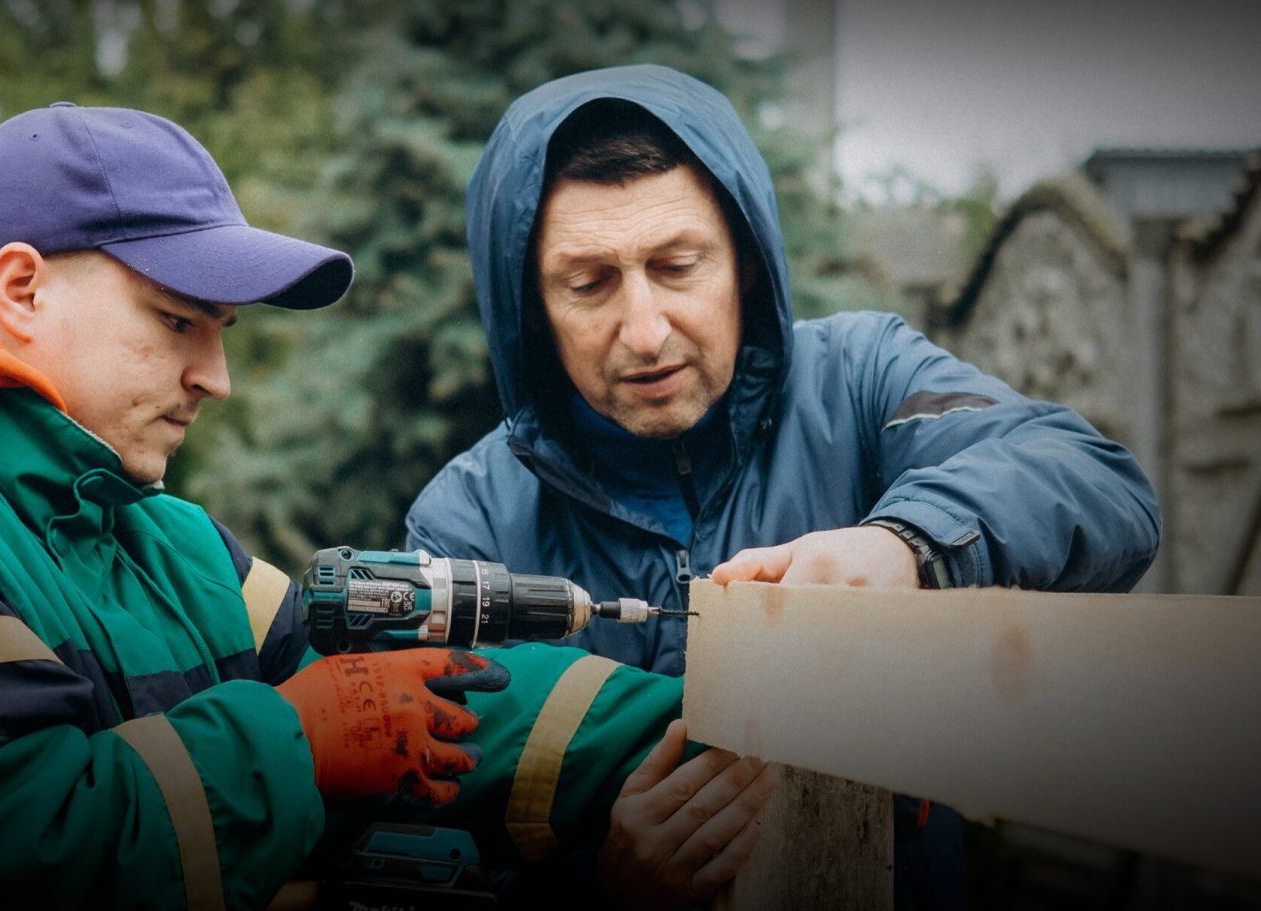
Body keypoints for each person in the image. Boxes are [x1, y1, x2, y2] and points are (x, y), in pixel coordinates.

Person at [0, 102, 709, 908]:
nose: (216, 376)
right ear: (20, 288)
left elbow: (411, 700)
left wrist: (702, 741)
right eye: (178, 320)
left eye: (223, 332)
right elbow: (2, 856)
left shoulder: (161, 537)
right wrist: (290, 739)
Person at [404, 65, 1163, 907]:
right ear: (530, 309)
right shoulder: (462, 523)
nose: (646, 330)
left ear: (748, 264)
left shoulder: (863, 377)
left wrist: (907, 546)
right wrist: (602, 886)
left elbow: (1094, 477)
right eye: (589, 285)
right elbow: (422, 834)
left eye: (680, 265)